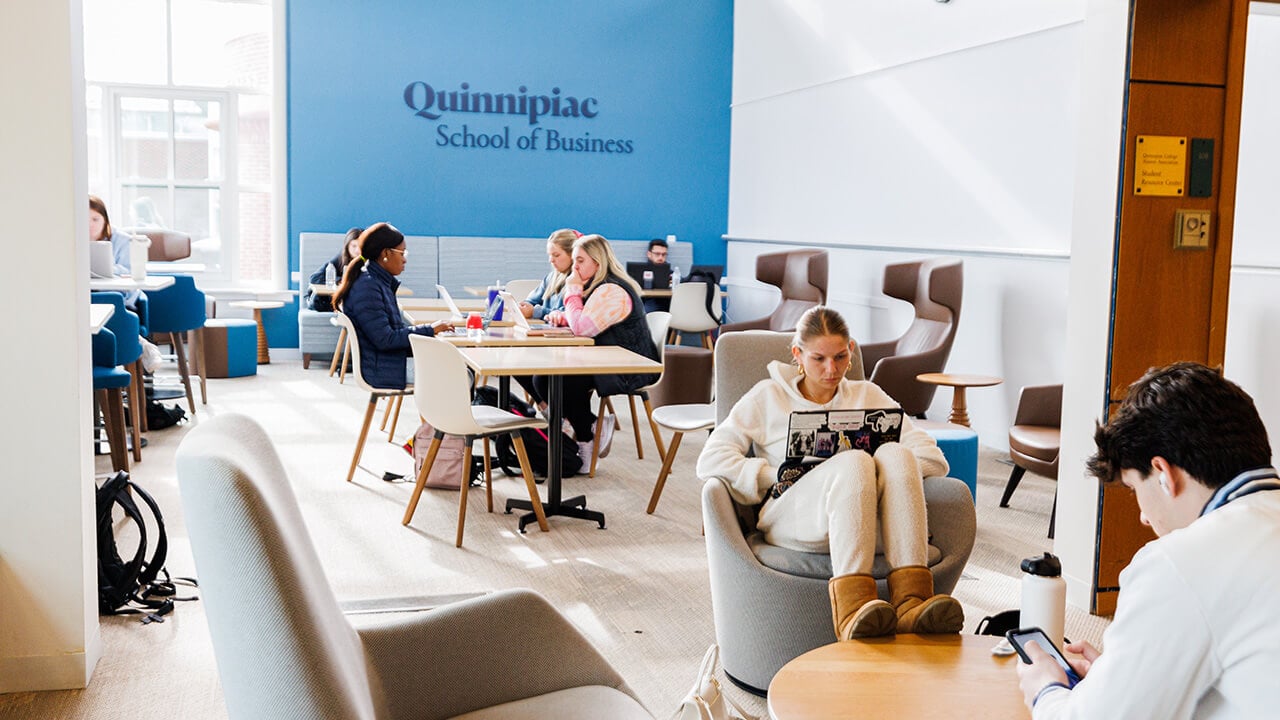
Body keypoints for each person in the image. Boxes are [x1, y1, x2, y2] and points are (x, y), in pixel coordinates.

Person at [1016, 362, 1280, 719]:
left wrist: (1046, 690)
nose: (1143, 516)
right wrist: (1126, 678)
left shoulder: (1179, 562)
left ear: (1162, 474)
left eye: (1133, 488)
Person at [696, 306, 963, 640]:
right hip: (794, 516)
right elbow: (710, 459)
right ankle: (853, 610)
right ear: (798, 354)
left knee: (893, 453)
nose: (831, 369)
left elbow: (933, 458)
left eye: (840, 357)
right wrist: (773, 474)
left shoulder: (869, 395)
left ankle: (912, 602)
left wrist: (877, 473)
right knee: (853, 462)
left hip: (867, 520)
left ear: (850, 350)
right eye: (818, 359)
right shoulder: (767, 396)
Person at [541, 233, 660, 460]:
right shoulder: (597, 286)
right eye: (574, 260)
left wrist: (572, 292)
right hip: (609, 360)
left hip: (629, 368)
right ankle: (591, 425)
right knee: (543, 377)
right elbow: (589, 320)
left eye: (580, 261)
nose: (574, 268)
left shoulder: (612, 290)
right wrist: (563, 316)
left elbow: (583, 329)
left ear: (598, 262)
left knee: (565, 380)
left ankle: (585, 440)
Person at [333, 223, 452, 388]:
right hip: (383, 369)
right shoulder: (368, 287)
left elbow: (392, 333)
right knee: (458, 375)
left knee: (456, 363)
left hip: (390, 362)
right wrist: (431, 330)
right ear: (386, 254)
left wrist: (431, 335)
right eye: (402, 253)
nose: (405, 259)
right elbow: (386, 339)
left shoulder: (377, 282)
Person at [89, 195, 142, 309]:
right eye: (85, 219)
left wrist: (107, 269)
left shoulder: (123, 240)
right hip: (87, 295)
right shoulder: (73, 240)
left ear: (105, 220)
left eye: (95, 219)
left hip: (119, 297)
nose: (90, 224)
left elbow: (129, 271)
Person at [518, 228, 579, 320]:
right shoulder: (550, 278)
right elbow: (532, 301)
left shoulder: (578, 281)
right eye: (550, 255)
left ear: (573, 255)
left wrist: (537, 312)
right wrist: (524, 306)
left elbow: (567, 314)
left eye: (556, 255)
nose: (551, 260)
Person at [306, 227, 363, 312]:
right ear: (347, 246)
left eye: (360, 246)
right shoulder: (341, 258)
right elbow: (314, 278)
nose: (357, 250)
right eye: (354, 246)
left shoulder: (371, 261)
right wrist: (340, 280)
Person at [643, 237, 670, 313]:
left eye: (664, 255)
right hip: (648, 301)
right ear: (649, 254)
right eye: (657, 254)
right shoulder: (641, 271)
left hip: (668, 302)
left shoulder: (670, 272)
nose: (661, 258)